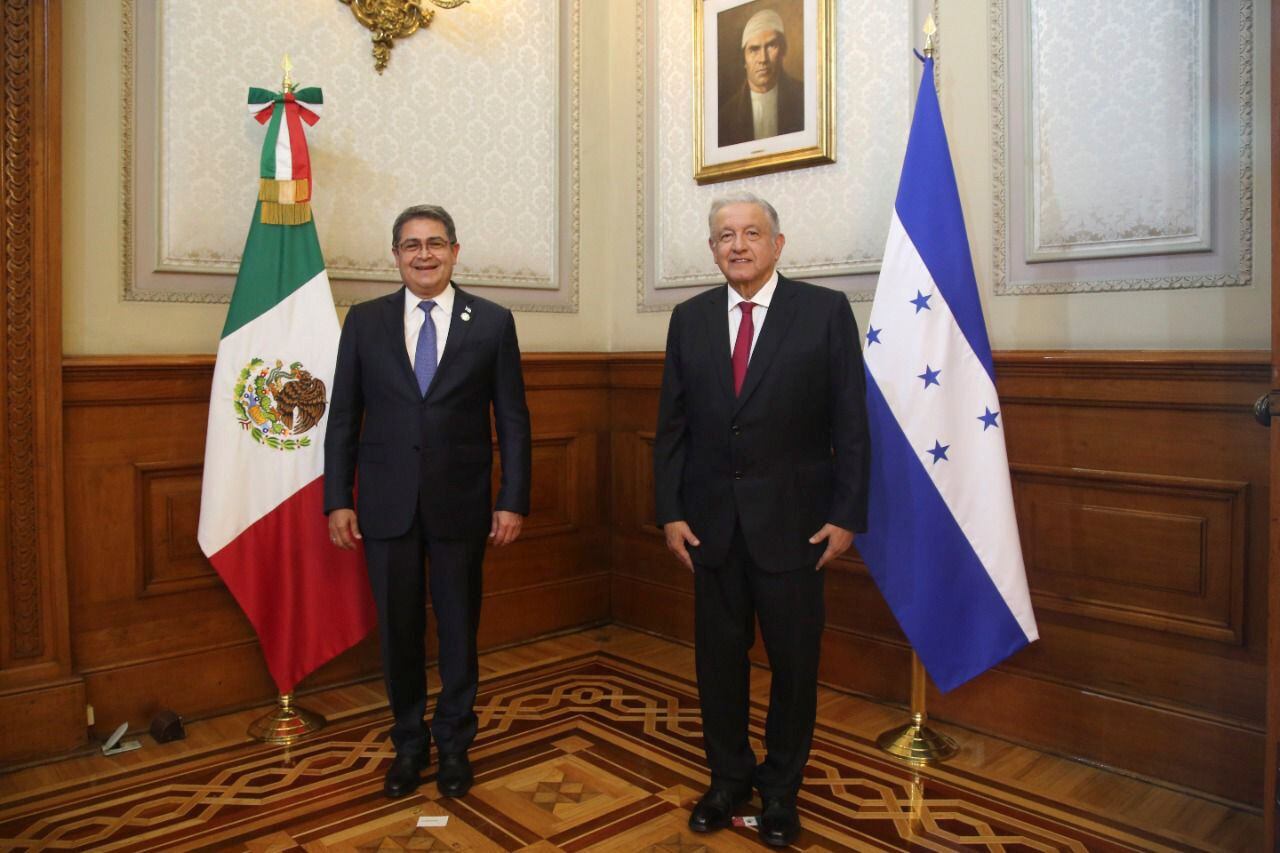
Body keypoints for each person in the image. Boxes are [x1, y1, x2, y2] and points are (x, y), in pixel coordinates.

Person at [653, 192, 869, 847]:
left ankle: (780, 791)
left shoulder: (825, 313)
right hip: (710, 529)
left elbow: (851, 426)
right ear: (713, 247)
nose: (738, 245)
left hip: (797, 527)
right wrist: (669, 511)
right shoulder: (688, 319)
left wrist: (847, 514)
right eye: (724, 235)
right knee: (718, 664)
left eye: (751, 233)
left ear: (778, 243)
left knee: (794, 667)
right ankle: (727, 780)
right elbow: (673, 427)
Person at [325, 204, 531, 800]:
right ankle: (409, 745)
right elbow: (343, 418)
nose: (423, 254)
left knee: (460, 629)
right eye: (411, 245)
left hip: (462, 505)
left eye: (435, 243)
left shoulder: (491, 321)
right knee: (399, 630)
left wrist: (512, 498)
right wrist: (339, 497)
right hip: (385, 506)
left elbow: (513, 419)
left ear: (455, 251)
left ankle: (456, 747)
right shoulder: (364, 322)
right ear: (395, 255)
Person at [718, 8, 804, 147]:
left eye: (771, 46)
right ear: (744, 59)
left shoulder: (804, 98)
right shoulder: (725, 117)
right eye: (754, 49)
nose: (763, 59)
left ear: (783, 51)